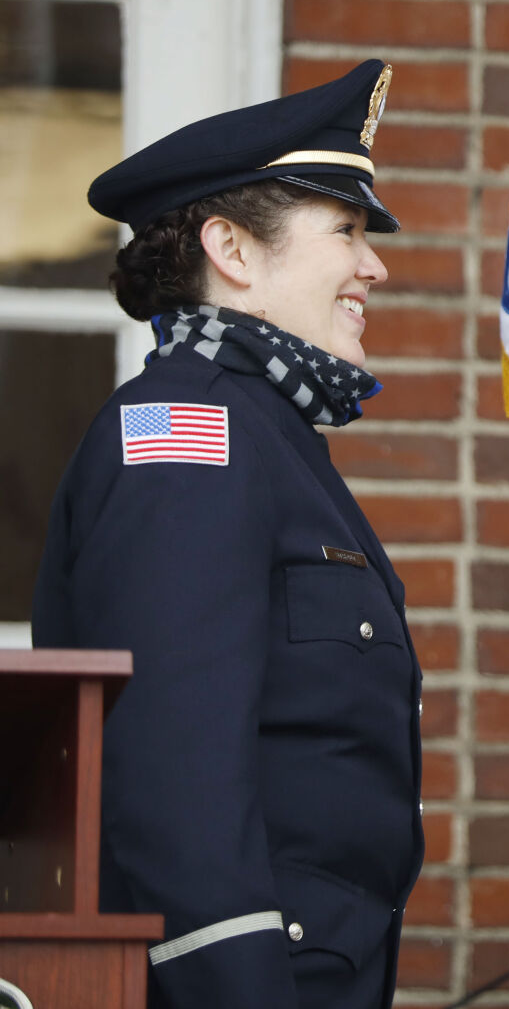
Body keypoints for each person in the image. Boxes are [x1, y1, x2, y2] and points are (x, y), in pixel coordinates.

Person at [31, 59, 424, 1009]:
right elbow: (175, 779)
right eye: (345, 229)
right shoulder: (190, 436)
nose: (372, 263)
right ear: (233, 251)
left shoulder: (262, 430)